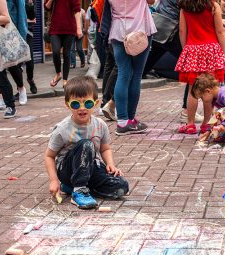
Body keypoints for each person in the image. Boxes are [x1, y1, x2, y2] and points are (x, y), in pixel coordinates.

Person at [44, 76, 129, 209]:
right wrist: (54, 180)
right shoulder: (62, 128)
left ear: (96, 103)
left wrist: (111, 164)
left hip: (90, 168)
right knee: (86, 144)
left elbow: (105, 148)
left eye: (87, 103)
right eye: (76, 104)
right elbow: (49, 156)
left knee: (121, 186)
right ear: (67, 104)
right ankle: (79, 191)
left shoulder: (100, 125)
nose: (82, 108)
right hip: (67, 170)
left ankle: (74, 187)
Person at [142, 0, 203, 124]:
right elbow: (187, 6)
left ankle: (113, 103)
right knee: (193, 68)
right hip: (172, 29)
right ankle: (187, 112)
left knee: (140, 68)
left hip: (158, 26)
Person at [176, 0, 225, 135]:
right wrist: (223, 52)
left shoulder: (185, 6)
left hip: (192, 48)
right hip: (211, 49)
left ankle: (190, 124)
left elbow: (182, 31)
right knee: (208, 89)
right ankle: (206, 124)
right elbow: (220, 31)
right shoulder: (213, 5)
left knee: (193, 89)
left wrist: (186, 48)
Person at [107, 0, 157, 135]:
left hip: (118, 29)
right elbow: (151, 2)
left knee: (123, 73)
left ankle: (122, 122)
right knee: (136, 75)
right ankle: (130, 119)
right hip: (140, 28)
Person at [44, 0, 82, 88]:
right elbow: (46, 7)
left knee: (66, 54)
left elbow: (77, 10)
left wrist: (79, 28)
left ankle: (65, 80)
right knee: (56, 52)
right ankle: (58, 74)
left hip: (69, 28)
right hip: (55, 28)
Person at [25, 0, 37, 94]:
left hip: (27, 32)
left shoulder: (30, 1)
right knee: (16, 63)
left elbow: (33, 17)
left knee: (29, 61)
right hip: (13, 31)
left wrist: (30, 4)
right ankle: (20, 88)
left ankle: (30, 79)